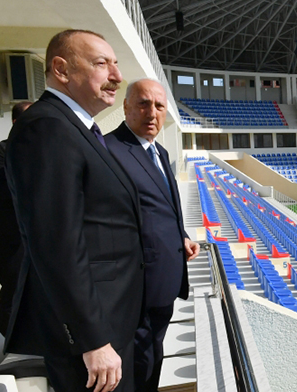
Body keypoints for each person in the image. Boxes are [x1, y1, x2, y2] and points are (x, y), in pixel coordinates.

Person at [4, 29, 144, 392]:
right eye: (102, 64)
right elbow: (56, 244)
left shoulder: (77, 128)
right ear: (61, 69)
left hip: (110, 324)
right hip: (93, 338)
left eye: (116, 64)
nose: (117, 76)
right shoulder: (48, 128)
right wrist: (92, 339)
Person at [104, 79, 199, 392]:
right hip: (135, 287)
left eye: (159, 106)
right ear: (127, 106)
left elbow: (161, 209)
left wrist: (181, 236)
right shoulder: (110, 150)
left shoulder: (157, 149)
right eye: (143, 103)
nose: (152, 112)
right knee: (136, 362)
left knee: (152, 354)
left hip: (163, 282)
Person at [0, 101, 33, 338]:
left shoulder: (42, 150)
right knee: (13, 294)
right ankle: (10, 344)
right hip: (11, 242)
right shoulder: (2, 151)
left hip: (35, 240)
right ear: (15, 122)